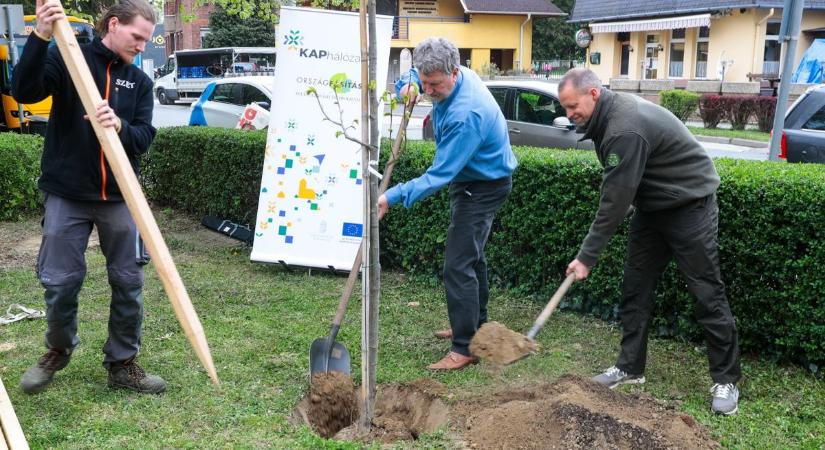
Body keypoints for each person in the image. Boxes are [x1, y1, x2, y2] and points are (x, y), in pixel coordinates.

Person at [557, 68, 741, 415]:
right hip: (653, 208)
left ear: (593, 94)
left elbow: (614, 201)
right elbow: (623, 189)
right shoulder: (605, 119)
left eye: (572, 106)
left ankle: (726, 379)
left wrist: (585, 258)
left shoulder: (622, 127)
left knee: (706, 293)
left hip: (690, 206)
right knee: (635, 287)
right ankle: (630, 367)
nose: (569, 115)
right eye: (565, 108)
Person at [15, 0, 166, 394]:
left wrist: (120, 126)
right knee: (60, 282)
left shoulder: (139, 82)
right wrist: (41, 35)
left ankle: (123, 363)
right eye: (137, 36)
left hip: (120, 196)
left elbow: (144, 137)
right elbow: (24, 90)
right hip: (67, 193)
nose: (141, 45)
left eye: (146, 40)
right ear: (113, 25)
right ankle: (58, 350)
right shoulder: (69, 57)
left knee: (129, 281)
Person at [378, 37, 517, 371]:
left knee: (458, 264)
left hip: (482, 186)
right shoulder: (441, 71)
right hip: (472, 180)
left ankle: (464, 348)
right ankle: (474, 327)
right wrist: (409, 85)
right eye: (424, 82)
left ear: (454, 72)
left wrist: (391, 196)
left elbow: (439, 175)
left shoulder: (465, 115)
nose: (428, 90)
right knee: (473, 258)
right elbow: (414, 74)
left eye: (434, 84)